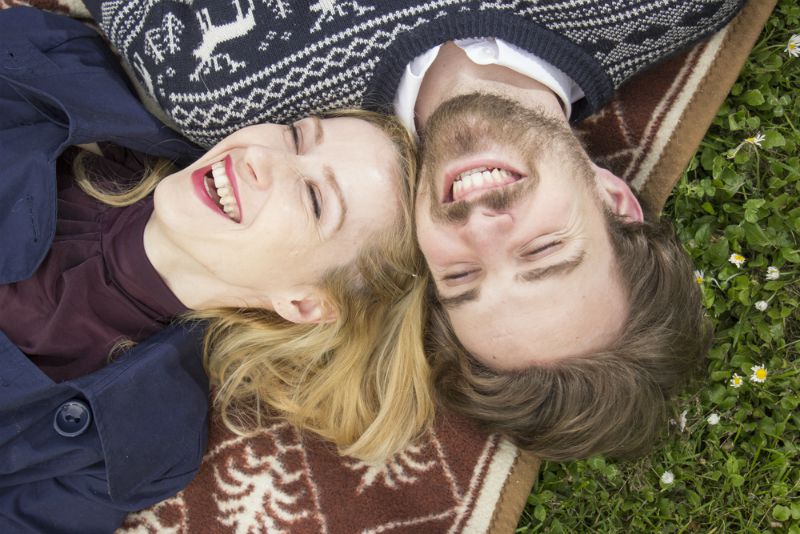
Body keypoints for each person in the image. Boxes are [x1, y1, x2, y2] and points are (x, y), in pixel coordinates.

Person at [85, 0, 741, 457]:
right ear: (613, 199)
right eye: (543, 249)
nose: (483, 226)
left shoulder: (222, 85)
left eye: (462, 275)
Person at [0, 8, 431, 532]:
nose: (262, 158)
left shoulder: (140, 440)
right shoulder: (72, 78)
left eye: (316, 200)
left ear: (304, 303)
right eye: (296, 136)